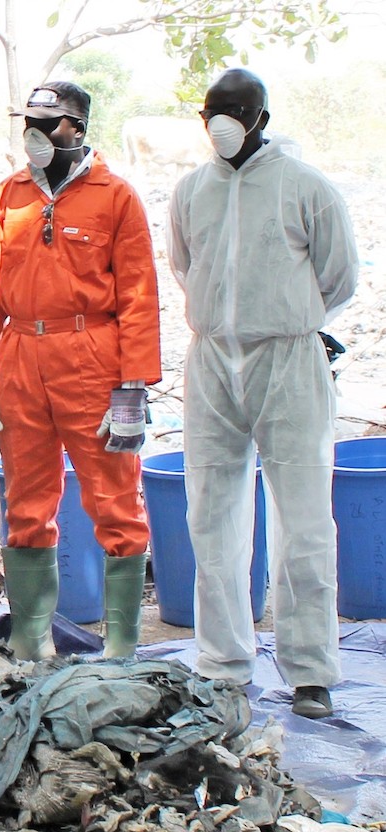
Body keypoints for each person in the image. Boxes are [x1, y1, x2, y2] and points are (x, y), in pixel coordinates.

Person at [0, 82, 160, 661]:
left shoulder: (115, 196)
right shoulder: (9, 196)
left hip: (91, 355)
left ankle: (120, 646)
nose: (35, 135)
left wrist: (132, 388)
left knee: (115, 497)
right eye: (30, 123)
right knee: (25, 499)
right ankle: (31, 639)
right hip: (21, 355)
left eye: (50, 123)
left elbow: (139, 295)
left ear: (79, 128)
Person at [169, 69, 356, 718]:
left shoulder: (307, 188)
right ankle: (222, 664)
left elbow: (339, 276)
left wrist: (288, 318)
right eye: (210, 111)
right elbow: (184, 265)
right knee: (211, 514)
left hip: (289, 357)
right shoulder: (192, 191)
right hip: (214, 361)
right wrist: (225, 320)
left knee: (303, 518)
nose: (220, 123)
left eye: (234, 111)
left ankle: (310, 671)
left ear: (261, 118)